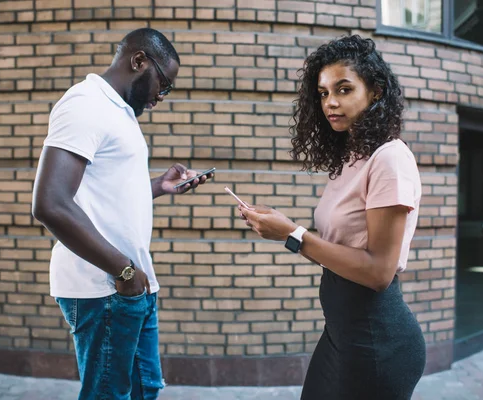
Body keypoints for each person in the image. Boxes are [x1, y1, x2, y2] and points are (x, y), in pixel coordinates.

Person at [238, 35, 426, 399]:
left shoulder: (390, 158)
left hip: (376, 341)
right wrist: (287, 230)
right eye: (323, 93)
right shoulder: (353, 157)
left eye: (343, 89)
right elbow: (337, 247)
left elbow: (377, 273)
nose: (331, 102)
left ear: (375, 91)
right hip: (341, 332)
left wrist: (293, 235)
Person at [32, 28, 212, 400]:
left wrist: (159, 186)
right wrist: (125, 271)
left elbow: (106, 196)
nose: (160, 97)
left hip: (131, 286)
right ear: (139, 61)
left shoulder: (119, 113)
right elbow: (50, 203)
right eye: (163, 85)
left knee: (143, 392)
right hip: (107, 288)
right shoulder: (85, 104)